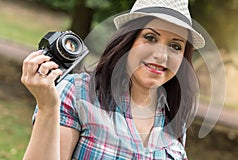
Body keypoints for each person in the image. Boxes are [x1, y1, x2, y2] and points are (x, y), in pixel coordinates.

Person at [21, 0, 205, 159]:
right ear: (127, 40)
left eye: (175, 46)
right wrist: (47, 108)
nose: (161, 55)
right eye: (150, 38)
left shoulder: (173, 117)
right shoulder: (76, 93)